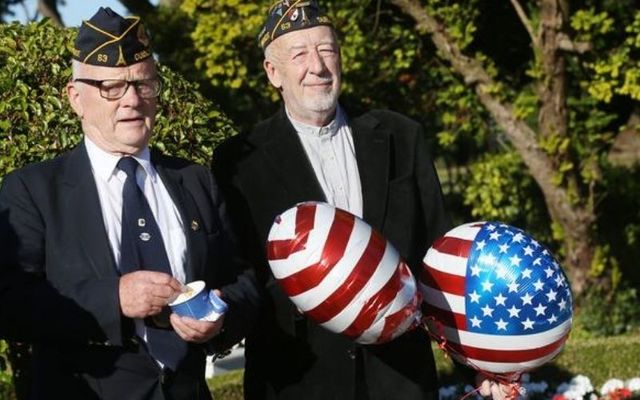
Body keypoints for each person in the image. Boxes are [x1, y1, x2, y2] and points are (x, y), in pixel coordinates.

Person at [0, 7, 256, 400]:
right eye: (112, 87)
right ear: (75, 98)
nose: (132, 100)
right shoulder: (33, 190)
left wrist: (221, 316)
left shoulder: (195, 180)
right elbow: (10, 299)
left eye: (144, 84)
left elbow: (244, 279)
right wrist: (113, 299)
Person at [212, 1, 454, 399]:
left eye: (326, 50)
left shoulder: (401, 135)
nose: (318, 66)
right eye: (299, 54)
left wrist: (478, 361)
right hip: (298, 380)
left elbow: (439, 255)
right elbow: (238, 272)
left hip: (400, 379)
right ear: (273, 73)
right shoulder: (239, 161)